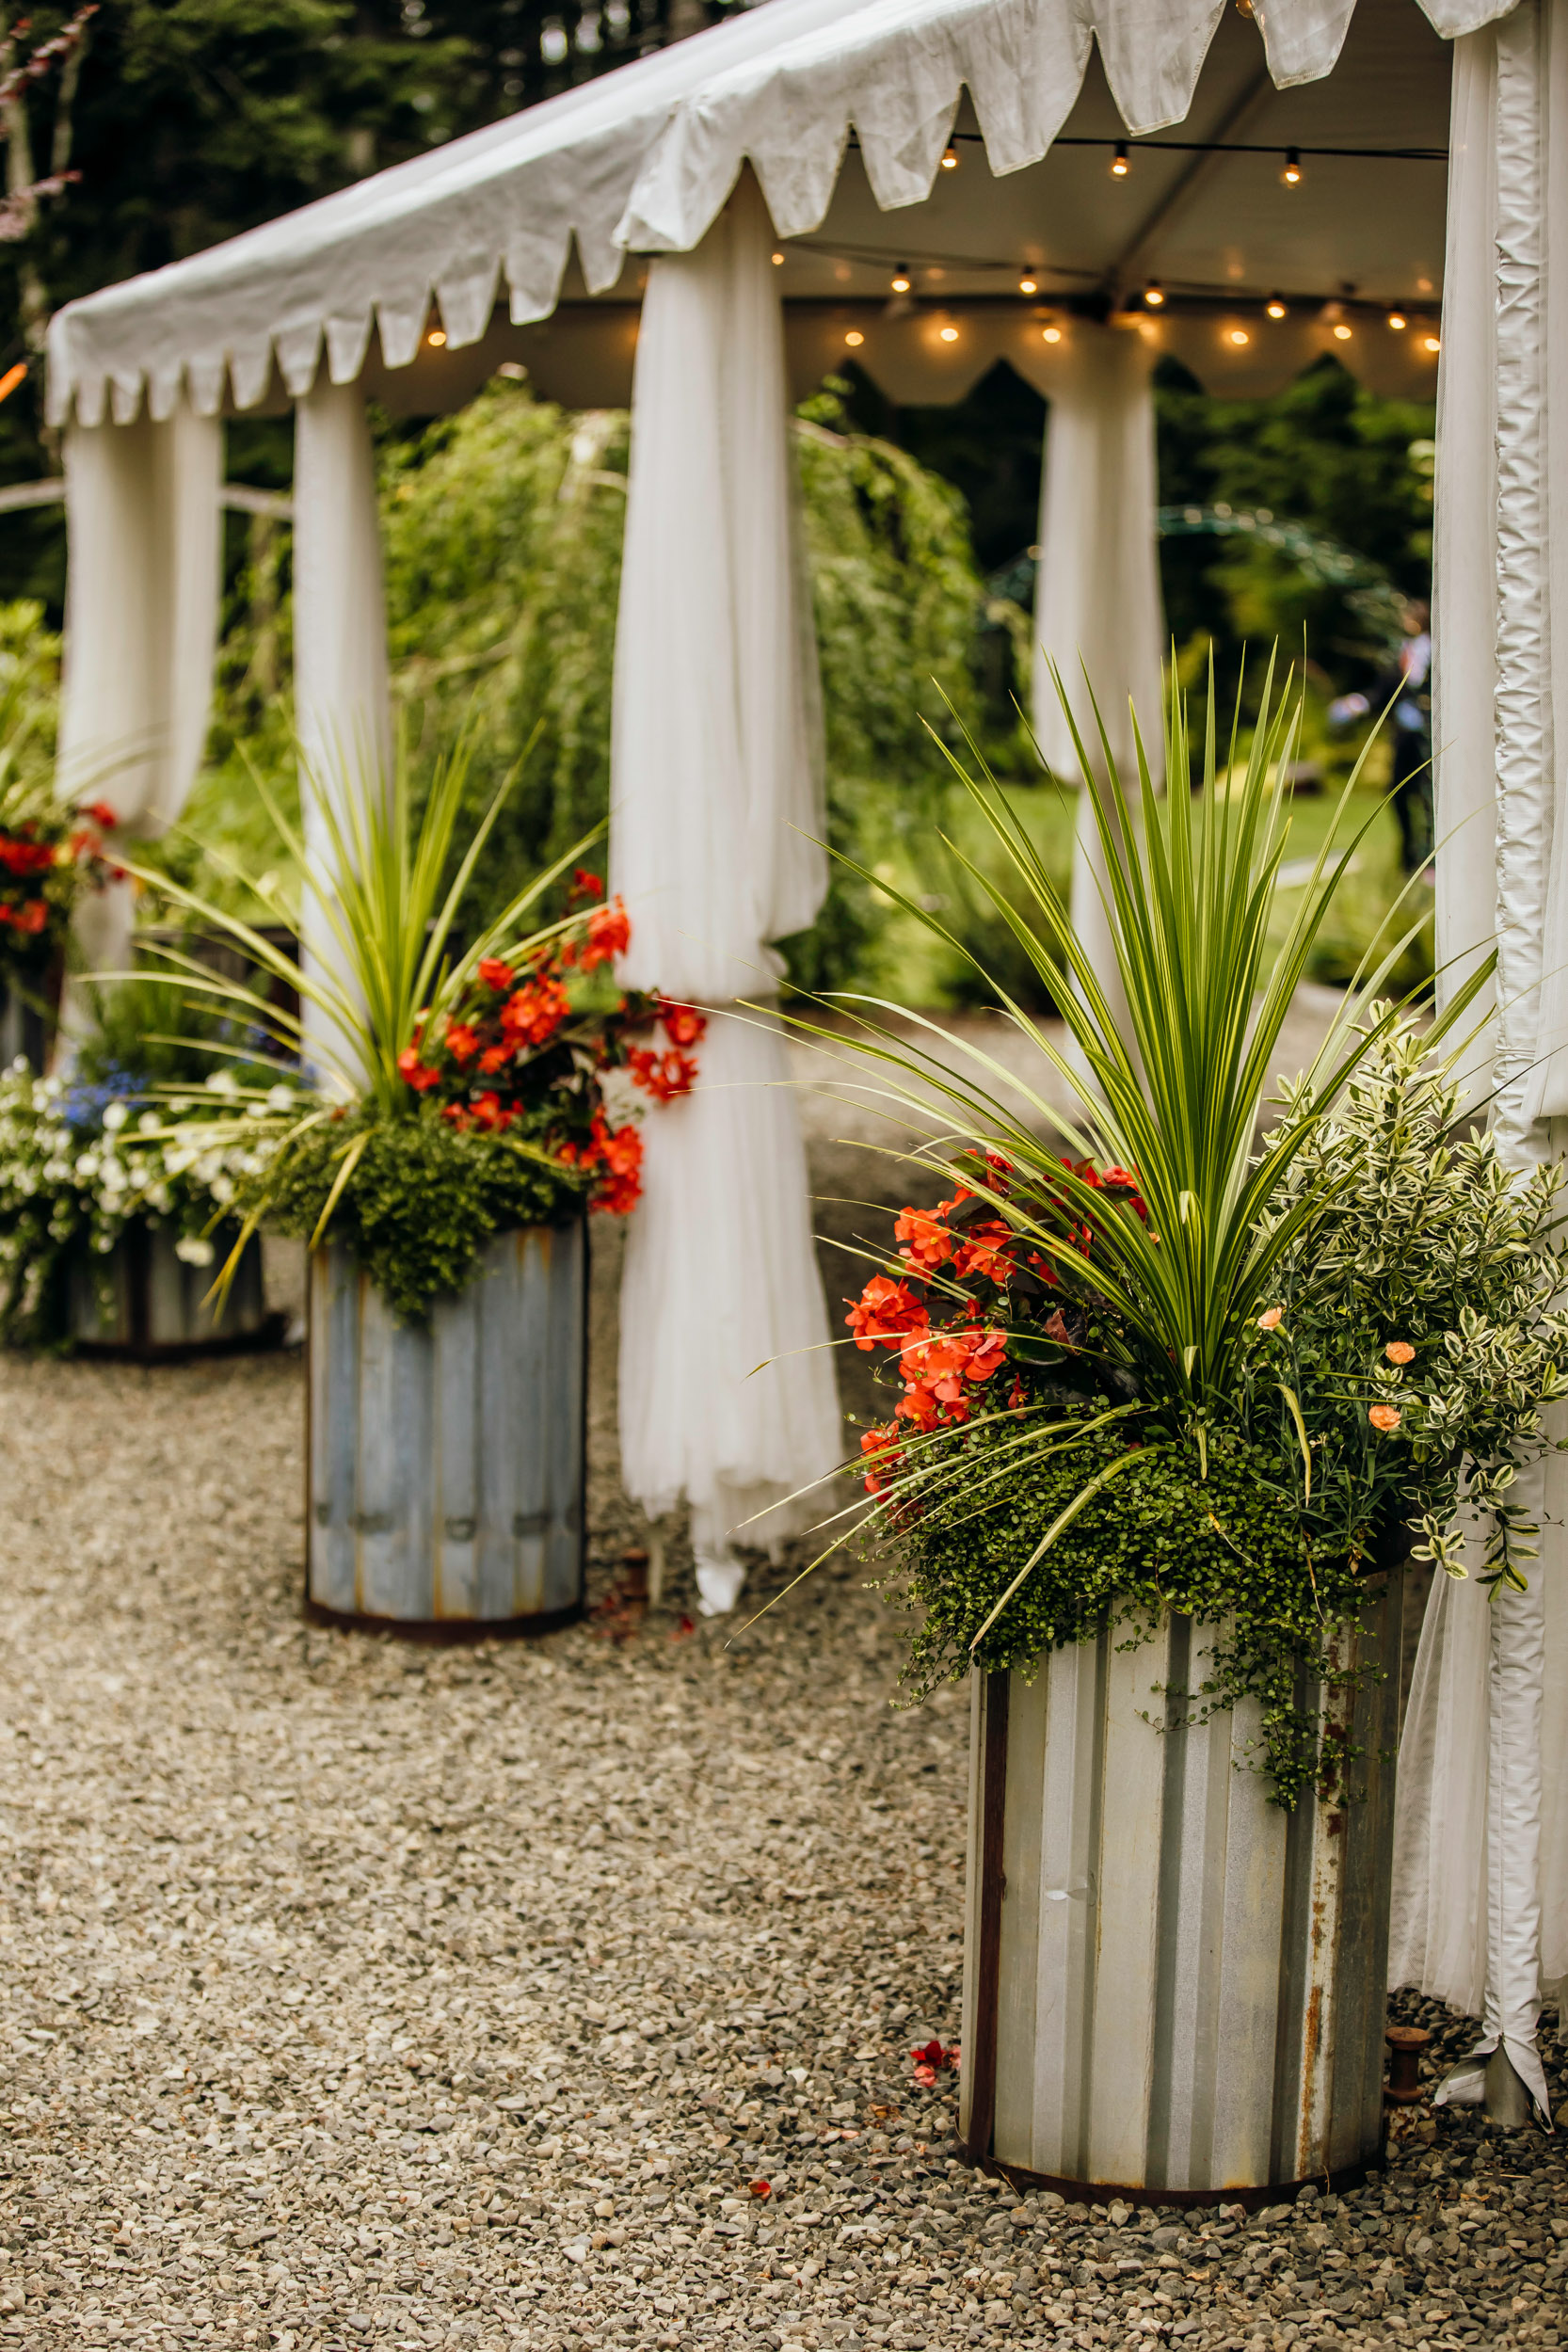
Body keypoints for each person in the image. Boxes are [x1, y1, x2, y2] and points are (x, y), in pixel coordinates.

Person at [1329, 600, 1432, 876]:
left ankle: (1430, 857)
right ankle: (1410, 855)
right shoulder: (1406, 651)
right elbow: (1388, 687)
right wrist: (1359, 703)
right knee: (1398, 792)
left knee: (1429, 795)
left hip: (1431, 734)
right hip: (1405, 734)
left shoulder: (1437, 649)